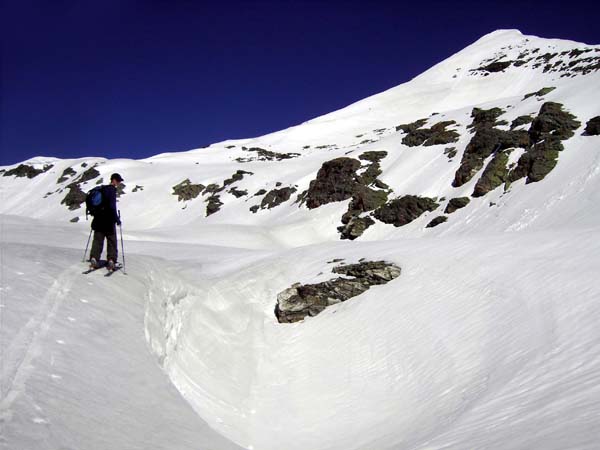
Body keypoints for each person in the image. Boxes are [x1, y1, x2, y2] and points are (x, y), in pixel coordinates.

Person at [89, 173, 123, 271]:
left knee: (98, 240)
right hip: (108, 221)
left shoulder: (102, 189)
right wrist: (117, 219)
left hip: (98, 219)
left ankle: (94, 258)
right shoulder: (112, 190)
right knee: (111, 241)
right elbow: (112, 206)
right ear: (114, 180)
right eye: (119, 180)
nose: (119, 182)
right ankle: (111, 260)